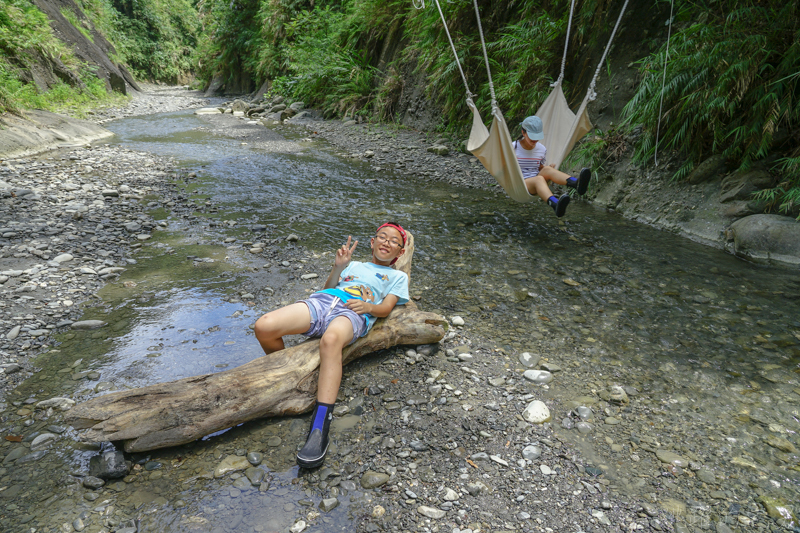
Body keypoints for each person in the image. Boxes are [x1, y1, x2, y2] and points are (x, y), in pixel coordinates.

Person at [254, 222, 410, 468]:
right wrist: (338, 267)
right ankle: (288, 374)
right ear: (372, 242)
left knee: (330, 340)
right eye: (382, 237)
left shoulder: (398, 276)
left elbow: (386, 308)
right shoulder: (355, 264)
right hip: (324, 301)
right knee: (264, 325)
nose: (386, 242)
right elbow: (328, 287)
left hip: (353, 312)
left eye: (393, 241)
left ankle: (320, 425)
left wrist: (369, 307)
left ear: (400, 253)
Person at [516, 115, 591, 217]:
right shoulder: (512, 148)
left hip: (537, 179)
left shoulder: (541, 149)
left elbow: (539, 167)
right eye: (532, 136)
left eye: (537, 136)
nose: (535, 140)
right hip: (520, 184)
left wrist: (548, 168)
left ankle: (576, 184)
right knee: (538, 179)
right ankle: (555, 204)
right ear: (523, 132)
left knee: (546, 169)